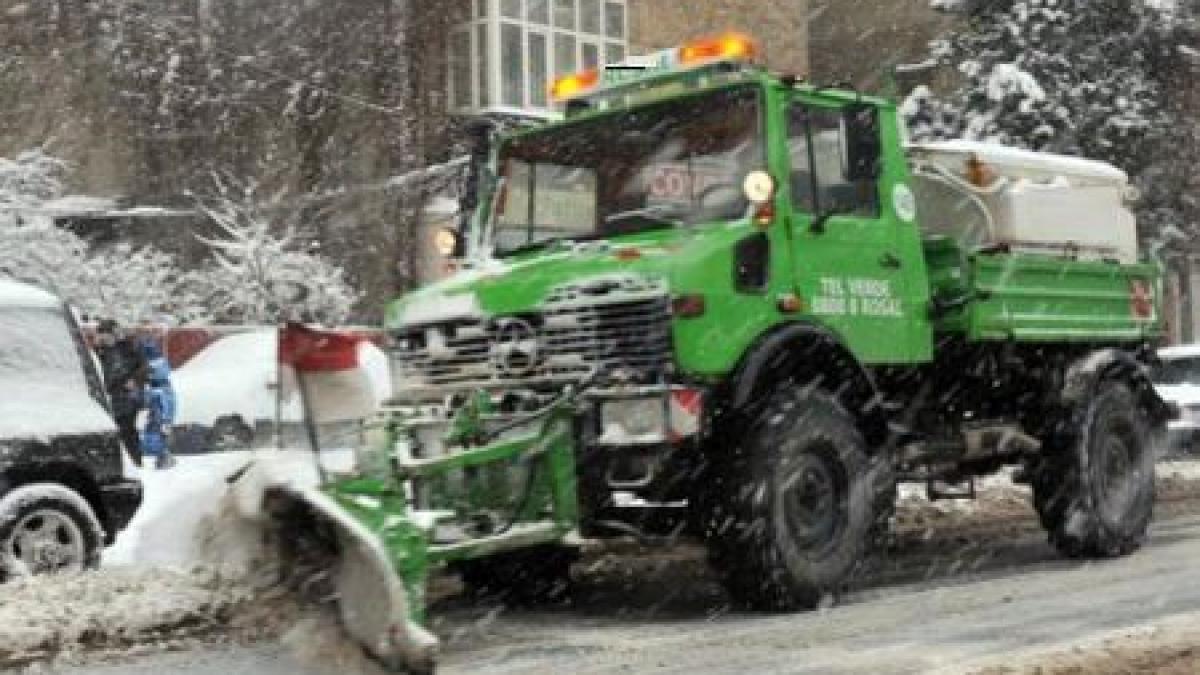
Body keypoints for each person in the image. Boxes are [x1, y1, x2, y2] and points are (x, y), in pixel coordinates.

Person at [96, 319, 149, 467]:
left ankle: (135, 461)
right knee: (119, 430)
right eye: (102, 337)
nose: (105, 340)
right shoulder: (101, 351)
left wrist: (135, 380)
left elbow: (145, 368)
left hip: (128, 395)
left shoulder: (128, 347)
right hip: (111, 395)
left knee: (126, 429)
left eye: (107, 336)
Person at [140, 351, 177, 470]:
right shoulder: (159, 386)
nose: (148, 375)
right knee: (153, 439)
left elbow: (166, 405)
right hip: (156, 419)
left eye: (150, 372)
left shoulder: (161, 388)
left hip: (159, 420)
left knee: (155, 440)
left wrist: (166, 421)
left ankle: (163, 459)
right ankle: (161, 458)